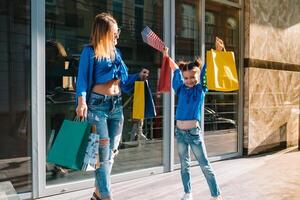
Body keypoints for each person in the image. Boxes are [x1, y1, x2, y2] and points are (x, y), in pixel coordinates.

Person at [76, 13, 149, 200]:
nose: (118, 36)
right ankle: (106, 196)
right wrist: (81, 101)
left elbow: (123, 82)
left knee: (111, 153)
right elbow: (82, 80)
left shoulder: (117, 54)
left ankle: (97, 194)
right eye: (114, 33)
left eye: (118, 33)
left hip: (116, 107)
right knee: (102, 155)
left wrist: (138, 76)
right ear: (104, 33)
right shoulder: (89, 52)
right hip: (97, 107)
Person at [163, 37, 225, 200]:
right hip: (180, 133)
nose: (189, 80)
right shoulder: (181, 88)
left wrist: (216, 52)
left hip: (193, 133)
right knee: (184, 166)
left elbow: (207, 69)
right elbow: (175, 68)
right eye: (187, 78)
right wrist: (166, 55)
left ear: (198, 78)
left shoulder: (201, 89)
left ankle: (216, 195)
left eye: (193, 77)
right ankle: (188, 192)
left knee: (204, 165)